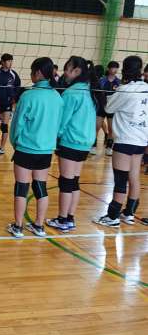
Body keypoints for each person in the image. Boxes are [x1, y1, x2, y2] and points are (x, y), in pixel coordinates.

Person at [8, 57, 63, 238]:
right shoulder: (57, 97)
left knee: (21, 188)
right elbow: (59, 125)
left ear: (38, 73)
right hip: (46, 150)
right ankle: (39, 226)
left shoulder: (28, 96)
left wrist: (16, 143)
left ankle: (18, 227)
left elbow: (17, 125)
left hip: (26, 149)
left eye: (32, 71)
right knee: (40, 187)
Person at [93, 55, 147, 227]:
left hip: (125, 139)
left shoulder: (125, 90)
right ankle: (129, 213)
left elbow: (108, 108)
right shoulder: (146, 88)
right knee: (134, 176)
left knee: (121, 179)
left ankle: (113, 216)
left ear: (125, 69)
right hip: (141, 140)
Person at [46, 57, 96, 231]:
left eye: (67, 69)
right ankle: (70, 218)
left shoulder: (71, 93)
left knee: (66, 182)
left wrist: (54, 138)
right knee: (74, 181)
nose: (65, 73)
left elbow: (62, 121)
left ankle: (62, 219)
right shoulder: (89, 91)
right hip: (85, 143)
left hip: (70, 141)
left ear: (77, 71)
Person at [0, 53, 21, 155]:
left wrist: (14, 98)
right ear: (3, 62)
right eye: (8, 61)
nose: (10, 63)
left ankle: (2, 148)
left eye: (11, 61)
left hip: (7, 103)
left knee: (4, 126)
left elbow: (18, 87)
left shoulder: (13, 74)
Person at [99, 60, 120, 156]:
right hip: (101, 106)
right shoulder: (102, 80)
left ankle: (109, 147)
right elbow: (98, 93)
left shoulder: (118, 82)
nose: (114, 70)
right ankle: (93, 146)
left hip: (112, 108)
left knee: (111, 128)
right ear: (108, 68)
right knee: (97, 126)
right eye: (113, 67)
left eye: (116, 68)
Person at [89, 64, 108, 155]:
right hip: (101, 106)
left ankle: (94, 145)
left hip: (99, 107)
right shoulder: (98, 81)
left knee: (95, 127)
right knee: (97, 126)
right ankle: (94, 144)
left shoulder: (99, 81)